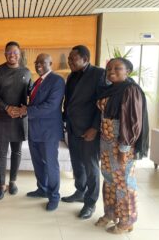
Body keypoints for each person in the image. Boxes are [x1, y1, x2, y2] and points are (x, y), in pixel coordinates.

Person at [95, 58, 149, 234]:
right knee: (109, 180)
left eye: (117, 68)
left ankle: (127, 220)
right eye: (109, 68)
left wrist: (125, 149)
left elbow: (133, 122)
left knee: (124, 183)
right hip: (106, 144)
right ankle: (110, 213)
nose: (111, 71)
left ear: (128, 71)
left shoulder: (130, 90)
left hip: (122, 145)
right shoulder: (110, 89)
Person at [62, 45, 105, 219]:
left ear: (85, 59)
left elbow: (102, 104)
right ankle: (80, 191)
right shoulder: (71, 76)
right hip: (72, 128)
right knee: (77, 164)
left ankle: (90, 202)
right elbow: (70, 101)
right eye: (69, 59)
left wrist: (95, 127)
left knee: (91, 167)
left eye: (73, 59)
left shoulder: (99, 74)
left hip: (90, 130)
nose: (70, 61)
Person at [0, 41, 31, 200]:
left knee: (17, 151)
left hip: (19, 118)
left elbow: (31, 95)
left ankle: (13, 181)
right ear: (5, 54)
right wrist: (6, 108)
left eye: (15, 52)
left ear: (20, 54)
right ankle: (1, 185)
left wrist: (22, 110)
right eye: (9, 52)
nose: (12, 55)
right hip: (2, 118)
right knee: (1, 153)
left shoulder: (27, 72)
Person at [25, 54, 65, 211]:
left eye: (42, 62)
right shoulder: (37, 82)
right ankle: (42, 189)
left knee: (50, 165)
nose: (38, 65)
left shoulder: (57, 80)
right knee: (37, 163)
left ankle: (54, 195)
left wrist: (25, 110)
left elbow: (51, 106)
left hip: (48, 132)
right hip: (34, 129)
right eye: (36, 63)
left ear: (50, 63)